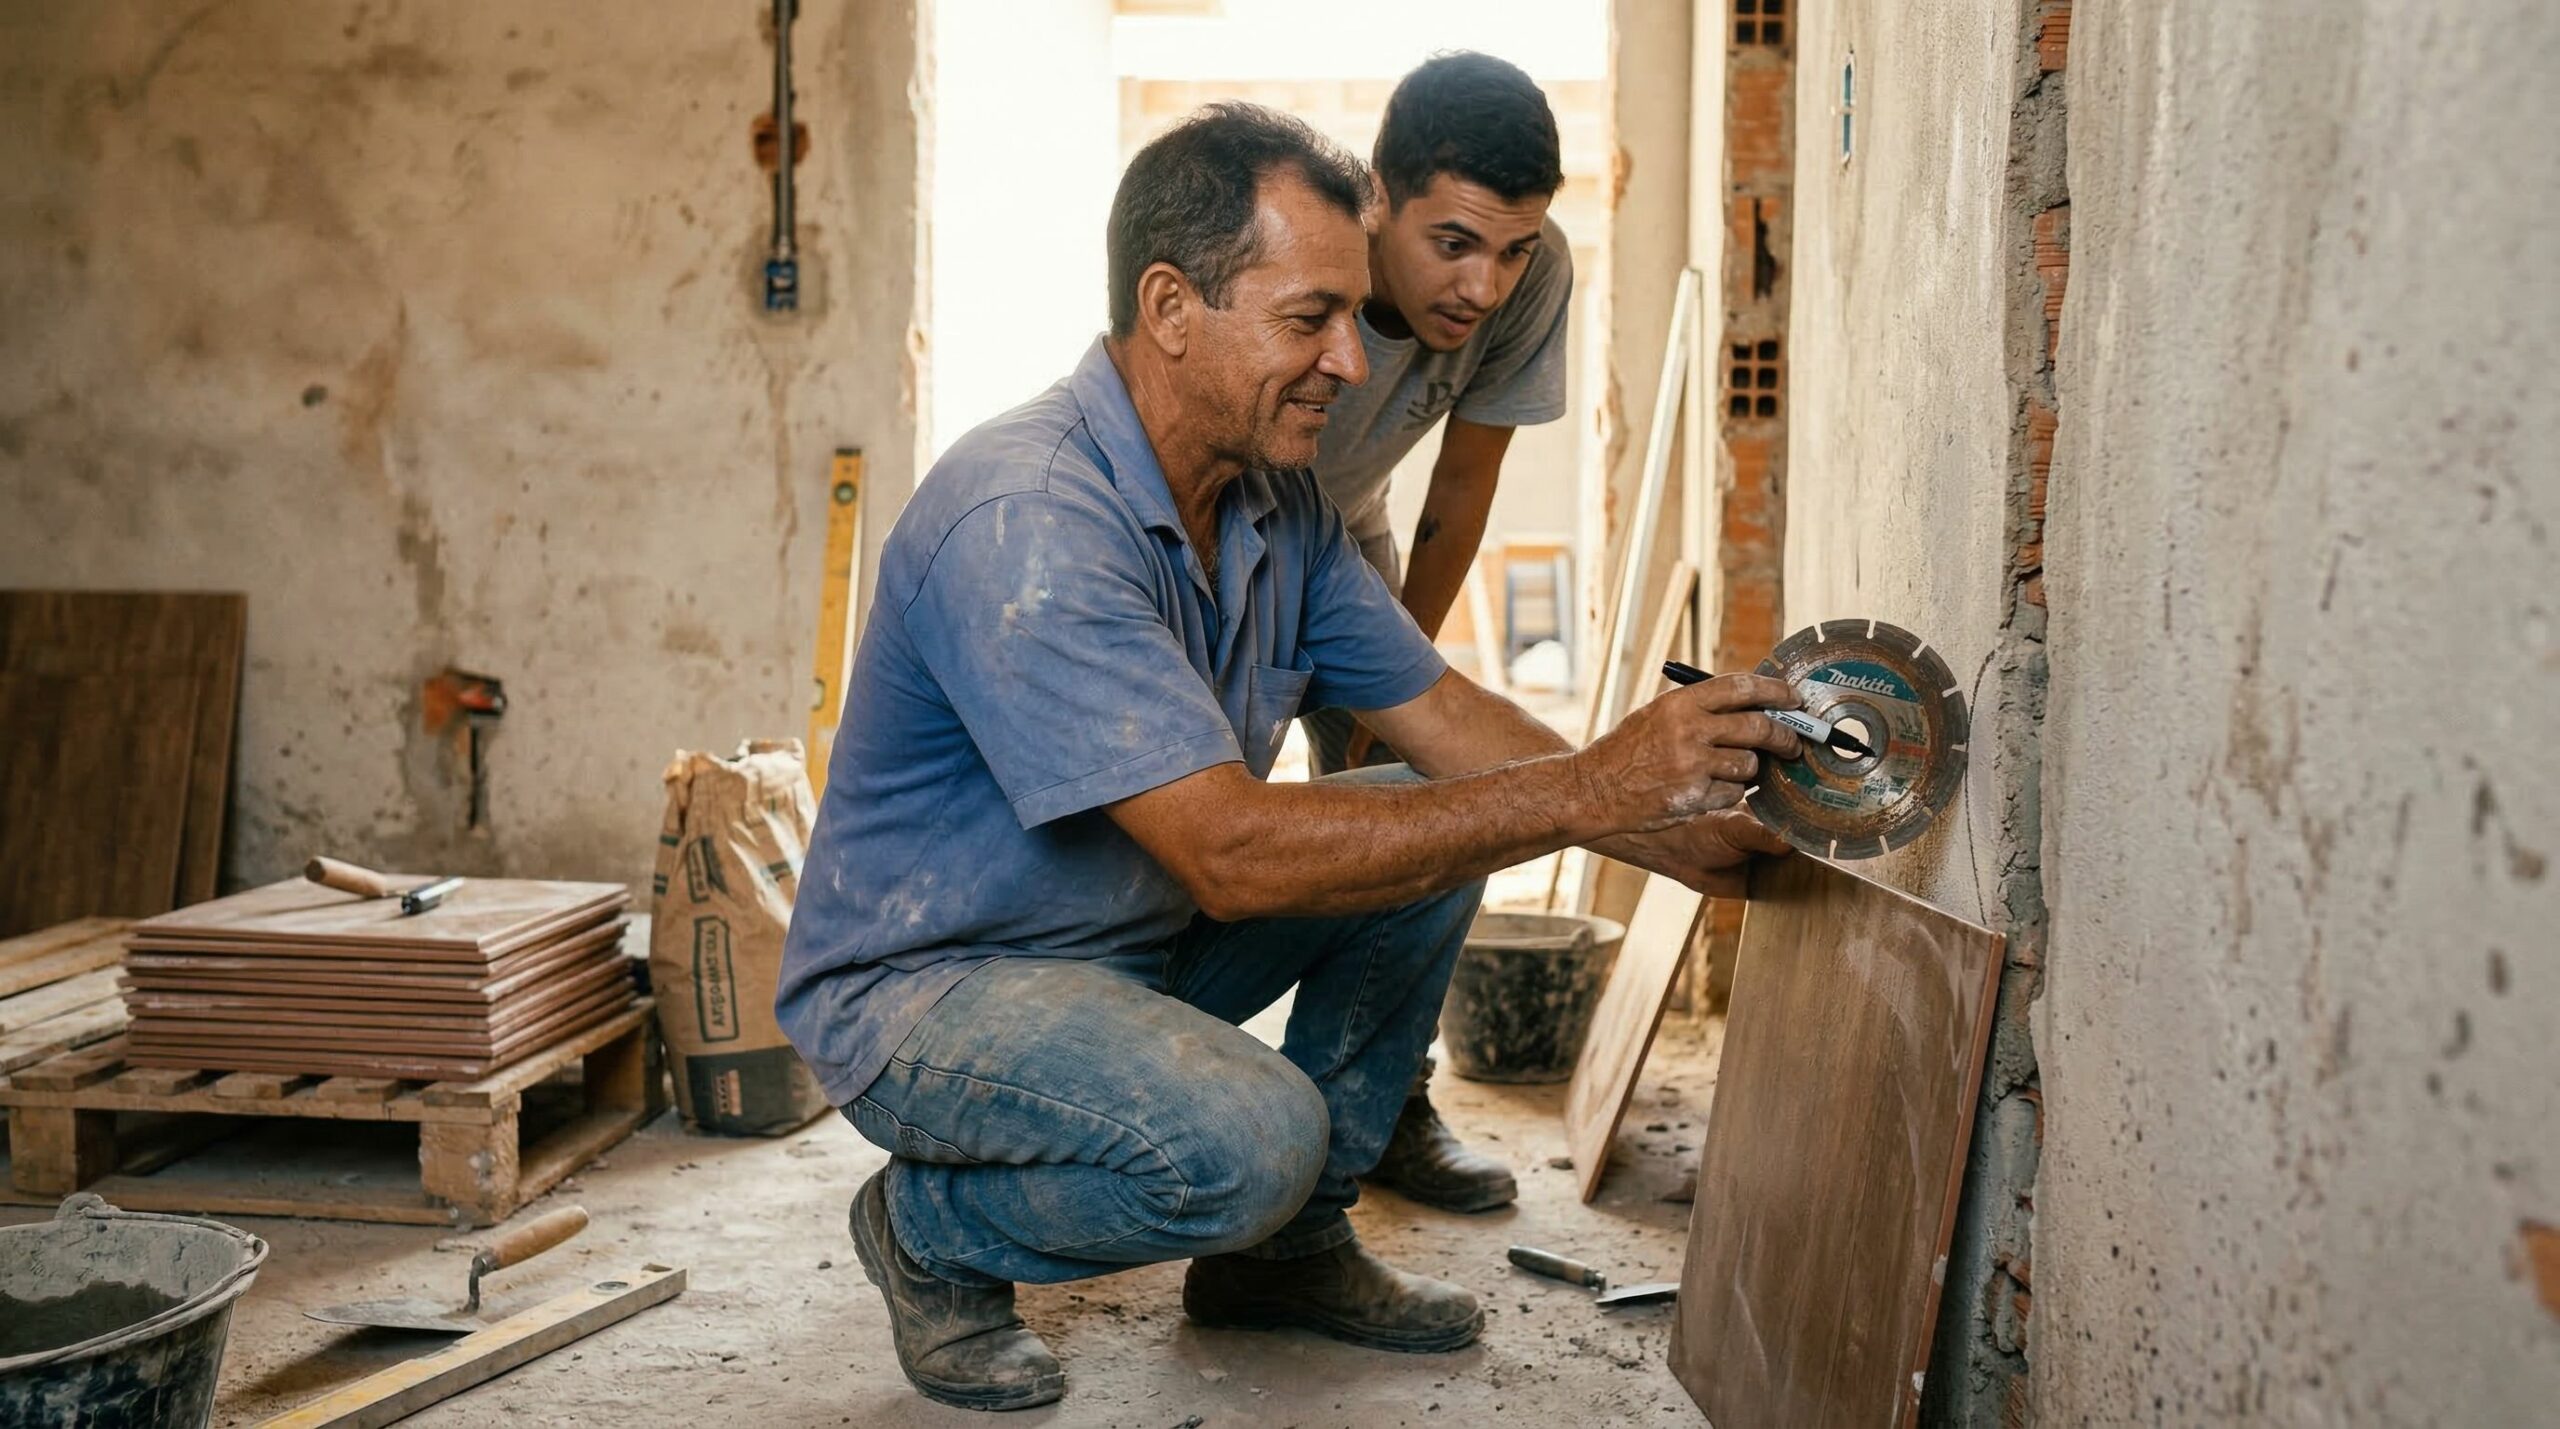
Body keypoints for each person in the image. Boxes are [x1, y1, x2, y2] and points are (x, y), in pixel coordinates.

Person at [777, 102, 1799, 1414]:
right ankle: (930, 1234)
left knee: (1451, 813)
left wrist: (1686, 829)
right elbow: (1232, 854)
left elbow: (1446, 721)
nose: (1354, 365)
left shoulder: (1278, 507)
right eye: (1309, 319)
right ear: (1171, 305)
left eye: (1351, 319)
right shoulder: (1028, 516)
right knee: (1250, 1143)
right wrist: (1597, 786)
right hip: (933, 998)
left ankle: (1283, 1258)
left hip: (1120, 945)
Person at [1302, 51, 1579, 1214]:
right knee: (1186, 825)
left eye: (1510, 249)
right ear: (1377, 196)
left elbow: (1459, 495)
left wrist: (1389, 693)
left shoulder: (1533, 275)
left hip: (1341, 531)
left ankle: (1378, 1111)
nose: (1483, 285)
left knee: (1415, 805)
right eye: (1452, 244)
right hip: (1205, 529)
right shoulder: (1296, 241)